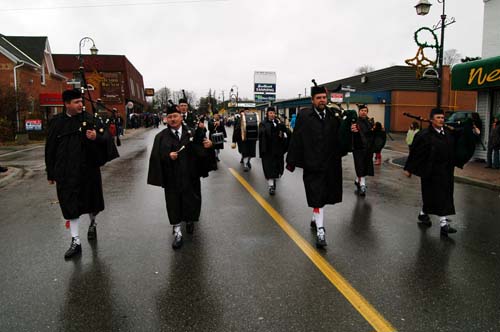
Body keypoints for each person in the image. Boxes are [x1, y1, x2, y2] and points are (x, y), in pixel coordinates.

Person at [45, 89, 119, 259]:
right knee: (70, 205)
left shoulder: (89, 119)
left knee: (91, 201)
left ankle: (92, 222)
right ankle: (75, 241)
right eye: (76, 102)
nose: (81, 104)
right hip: (66, 172)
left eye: (81, 101)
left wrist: (96, 138)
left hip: (88, 170)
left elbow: (107, 137)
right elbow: (50, 149)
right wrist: (51, 172)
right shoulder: (56, 123)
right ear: (66, 104)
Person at [286, 83, 355, 248]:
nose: (322, 100)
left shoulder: (333, 115)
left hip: (330, 164)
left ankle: (315, 217)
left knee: (323, 196)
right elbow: (296, 139)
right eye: (319, 98)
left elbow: (341, 136)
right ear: (312, 100)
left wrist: (351, 129)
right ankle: (321, 231)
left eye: (324, 97)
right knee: (317, 196)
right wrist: (291, 161)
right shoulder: (304, 116)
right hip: (312, 164)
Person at [147, 104, 216, 250]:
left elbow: (201, 152)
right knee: (174, 205)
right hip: (172, 179)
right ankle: (178, 232)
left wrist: (210, 146)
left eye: (175, 116)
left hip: (190, 176)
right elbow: (155, 158)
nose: (172, 119)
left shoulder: (191, 134)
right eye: (170, 117)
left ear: (181, 117)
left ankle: (190, 220)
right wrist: (167, 156)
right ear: (166, 119)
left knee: (191, 201)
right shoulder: (160, 137)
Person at [404, 108, 461, 237]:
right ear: (431, 120)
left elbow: (456, 144)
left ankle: (423, 214)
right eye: (438, 118)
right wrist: (409, 169)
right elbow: (415, 153)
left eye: (442, 118)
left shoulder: (447, 133)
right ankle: (443, 224)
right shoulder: (424, 135)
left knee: (443, 195)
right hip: (430, 171)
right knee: (438, 196)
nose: (441, 120)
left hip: (446, 171)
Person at [259, 107, 290, 195]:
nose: (272, 114)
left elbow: (286, 133)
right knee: (269, 168)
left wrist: (283, 128)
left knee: (278, 168)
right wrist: (274, 128)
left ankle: (274, 180)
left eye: (273, 113)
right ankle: (271, 186)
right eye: (270, 113)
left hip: (278, 150)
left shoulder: (278, 122)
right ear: (267, 114)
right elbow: (263, 133)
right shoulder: (263, 123)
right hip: (268, 150)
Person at [352, 104, 374, 196]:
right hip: (358, 147)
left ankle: (358, 180)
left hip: (368, 148)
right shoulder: (354, 122)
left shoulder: (370, 122)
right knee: (360, 165)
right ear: (359, 112)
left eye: (365, 110)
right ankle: (362, 185)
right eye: (362, 110)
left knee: (365, 166)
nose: (364, 112)